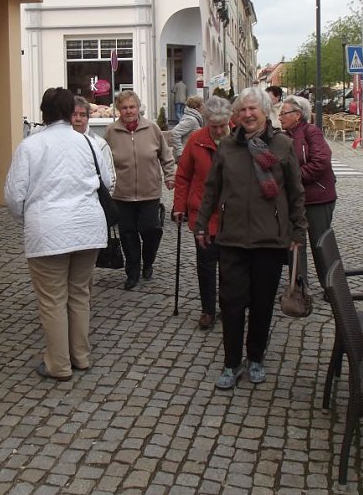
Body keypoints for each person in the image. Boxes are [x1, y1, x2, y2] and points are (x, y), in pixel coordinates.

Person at [196, 87, 307, 389]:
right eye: (242, 110)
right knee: (231, 305)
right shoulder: (227, 147)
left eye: (252, 109)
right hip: (231, 239)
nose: (247, 114)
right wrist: (202, 223)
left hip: (269, 241)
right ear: (236, 115)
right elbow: (211, 188)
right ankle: (231, 363)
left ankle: (256, 357)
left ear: (263, 111)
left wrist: (298, 232)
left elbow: (296, 193)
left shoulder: (282, 145)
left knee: (262, 305)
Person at [4, 87, 111, 381]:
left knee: (52, 299)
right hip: (88, 228)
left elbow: (14, 196)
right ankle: (81, 356)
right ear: (69, 112)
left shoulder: (30, 146)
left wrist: (27, 219)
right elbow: (106, 183)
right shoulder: (88, 143)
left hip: (48, 230)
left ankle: (58, 364)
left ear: (43, 113)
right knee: (79, 294)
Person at [104, 90, 176, 290]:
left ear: (138, 108)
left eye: (132, 107)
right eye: (124, 107)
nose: (129, 111)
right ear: (119, 110)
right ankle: (133, 271)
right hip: (122, 194)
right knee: (128, 234)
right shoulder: (111, 132)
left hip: (149, 191)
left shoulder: (152, 129)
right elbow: (104, 162)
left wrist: (170, 176)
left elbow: (166, 156)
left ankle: (149, 260)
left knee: (150, 230)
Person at [172, 96, 232, 330]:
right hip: (203, 216)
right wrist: (179, 207)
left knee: (230, 267)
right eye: (213, 126)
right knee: (206, 266)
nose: (218, 130)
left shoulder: (238, 138)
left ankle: (230, 307)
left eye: (222, 126)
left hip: (232, 216)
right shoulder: (196, 140)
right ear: (206, 121)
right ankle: (208, 309)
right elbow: (183, 175)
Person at [279, 95, 337, 288]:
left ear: (297, 115)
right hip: (295, 200)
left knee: (320, 244)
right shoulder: (284, 137)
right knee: (295, 244)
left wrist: (294, 177)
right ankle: (298, 287)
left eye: (283, 113)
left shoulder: (311, 132)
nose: (279, 116)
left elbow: (321, 161)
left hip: (317, 198)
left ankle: (331, 286)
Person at [73, 96, 115, 193]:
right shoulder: (61, 143)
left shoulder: (99, 144)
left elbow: (110, 180)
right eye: (74, 114)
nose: (78, 119)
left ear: (88, 118)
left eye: (82, 115)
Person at [168, 96, 205, 160]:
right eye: (202, 105)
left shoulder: (194, 118)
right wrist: (180, 152)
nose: (204, 107)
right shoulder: (191, 119)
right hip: (186, 157)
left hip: (190, 155)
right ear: (196, 107)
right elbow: (174, 133)